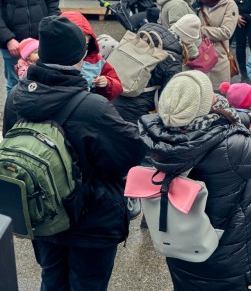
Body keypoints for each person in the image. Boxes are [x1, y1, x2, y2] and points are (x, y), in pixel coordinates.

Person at [3, 15, 147, 290]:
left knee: (52, 278)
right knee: (88, 283)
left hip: (42, 212)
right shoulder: (92, 108)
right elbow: (131, 152)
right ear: (78, 58)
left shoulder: (16, 98)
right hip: (90, 220)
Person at [139, 70, 251, 290]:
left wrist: (243, 119)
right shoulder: (229, 149)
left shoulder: (159, 137)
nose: (214, 96)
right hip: (235, 261)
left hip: (185, 252)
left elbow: (208, 124)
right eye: (208, 95)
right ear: (202, 107)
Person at [113, 21, 185, 124]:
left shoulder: (145, 33)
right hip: (137, 106)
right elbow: (166, 97)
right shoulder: (173, 60)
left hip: (112, 93)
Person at [61, 11, 124, 101]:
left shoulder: (97, 61)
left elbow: (118, 86)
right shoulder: (54, 59)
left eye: (85, 44)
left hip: (89, 104)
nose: (82, 49)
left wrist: (107, 83)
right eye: (75, 45)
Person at [197, 0, 238, 90]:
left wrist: (201, 30)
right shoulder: (200, 2)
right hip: (199, 59)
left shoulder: (229, 5)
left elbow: (226, 32)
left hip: (218, 61)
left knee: (218, 99)